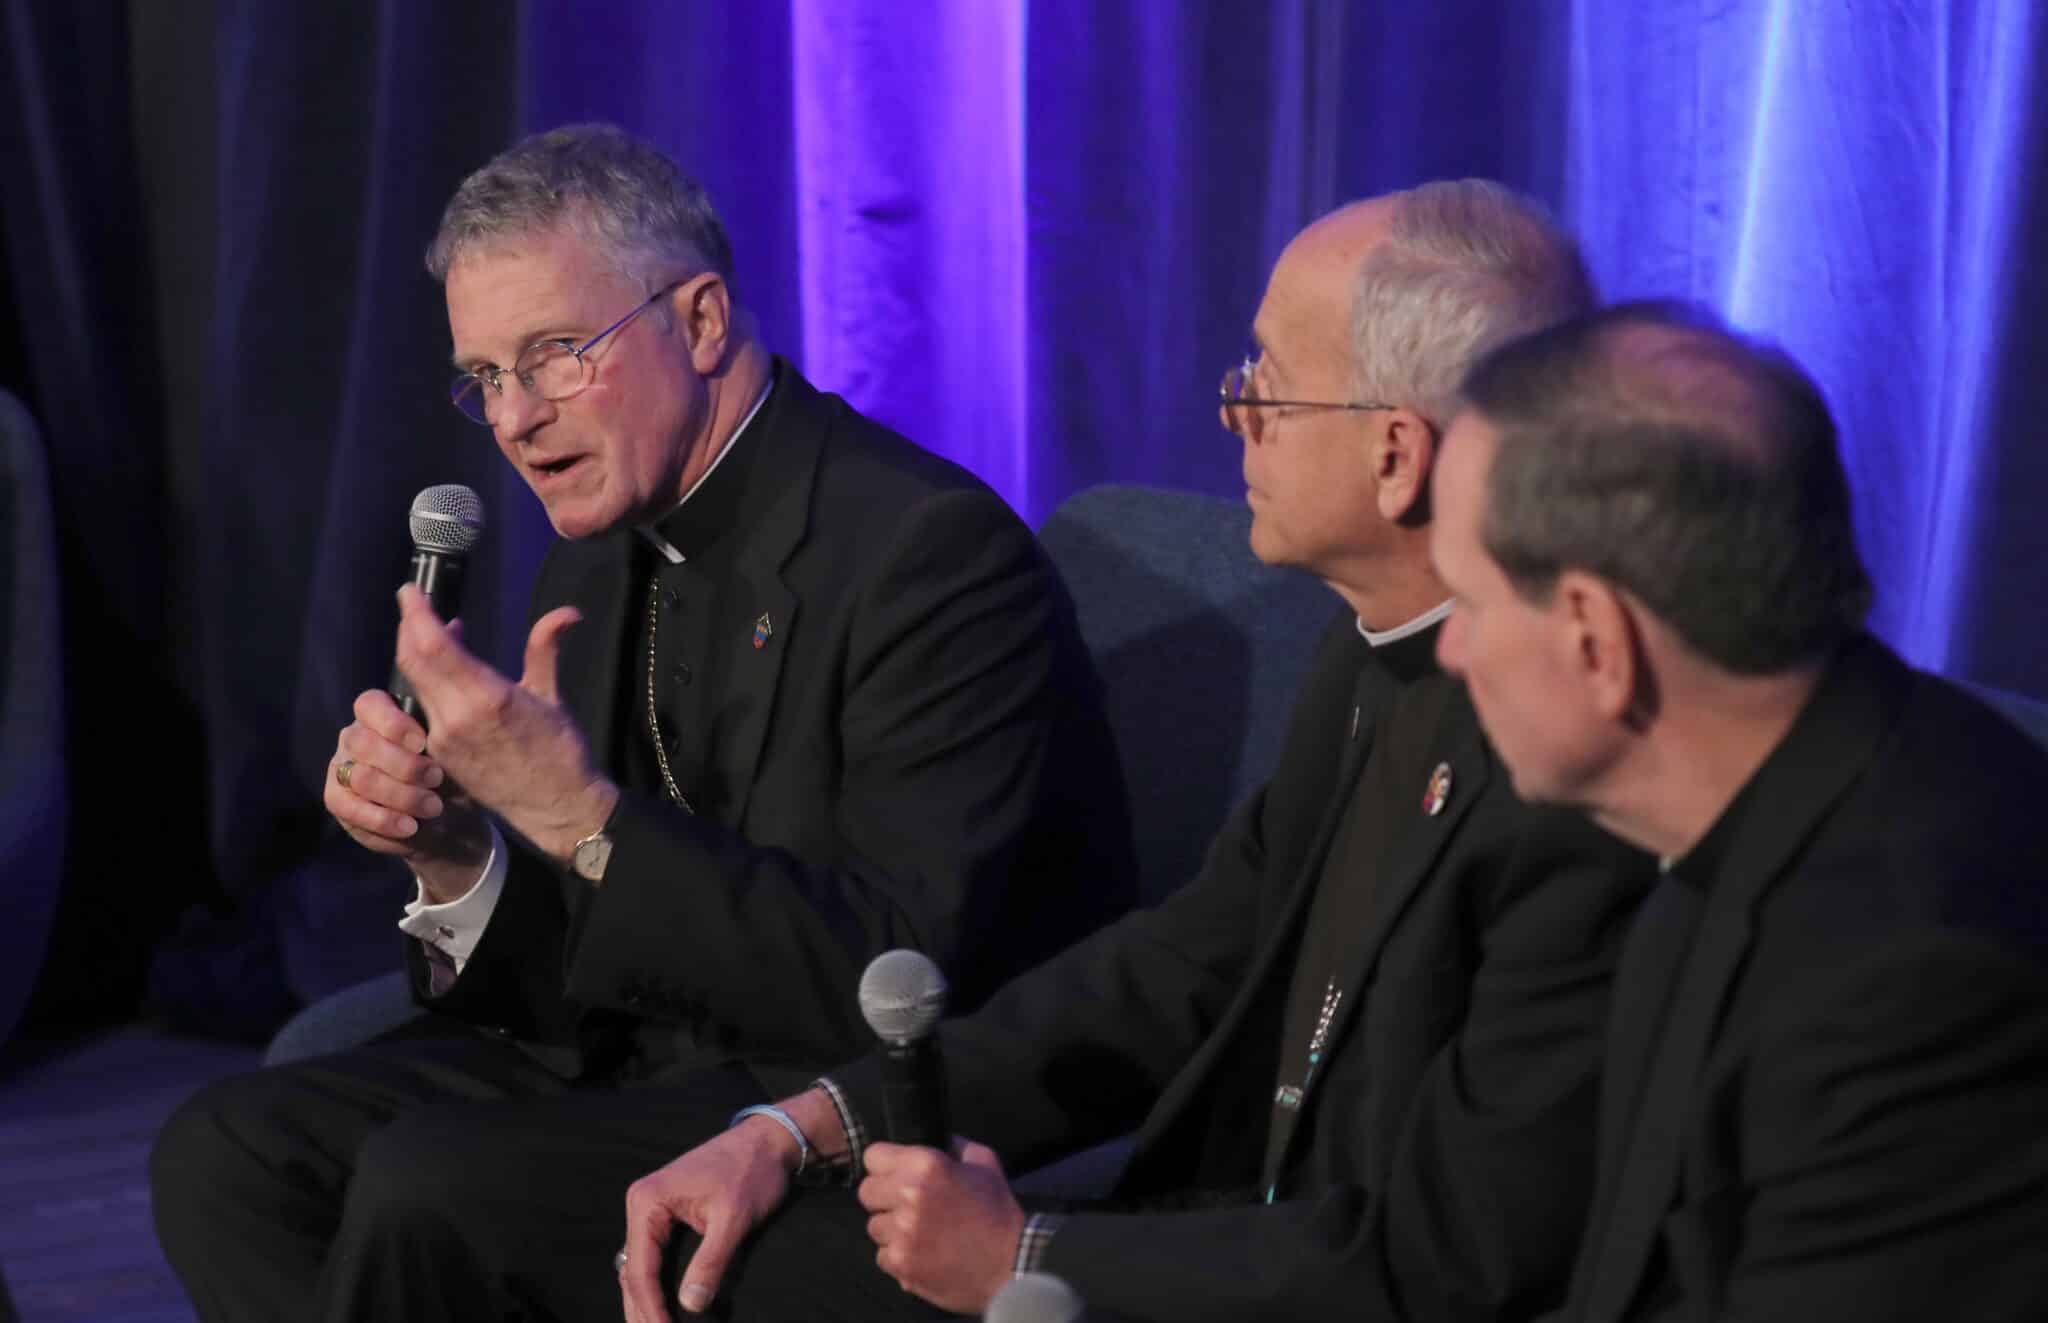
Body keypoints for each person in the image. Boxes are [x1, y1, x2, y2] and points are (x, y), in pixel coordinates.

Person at [616, 180, 1656, 1323]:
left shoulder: (1578, 779)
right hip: (1210, 1244)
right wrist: (809, 1125)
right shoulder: (1363, 661)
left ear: (1396, 456)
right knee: (660, 1230)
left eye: (1268, 383)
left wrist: (1028, 1257)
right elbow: (1172, 973)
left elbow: (1457, 1260)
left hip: (1296, 1287)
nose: (1236, 414)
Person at [149, 122, 1135, 1322]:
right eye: (487, 378)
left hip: (834, 1094)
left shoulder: (928, 554)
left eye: (555, 355)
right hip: (641, 1058)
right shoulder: (600, 553)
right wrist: (455, 856)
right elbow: (573, 974)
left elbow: (888, 969)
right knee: (228, 1152)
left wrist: (570, 806)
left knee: (434, 1189)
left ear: (703, 321)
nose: (514, 418)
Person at [1428, 301, 2048, 1322]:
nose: (1450, 653)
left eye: (1469, 603)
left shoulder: (1916, 979)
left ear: (1592, 635)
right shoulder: (1730, 821)